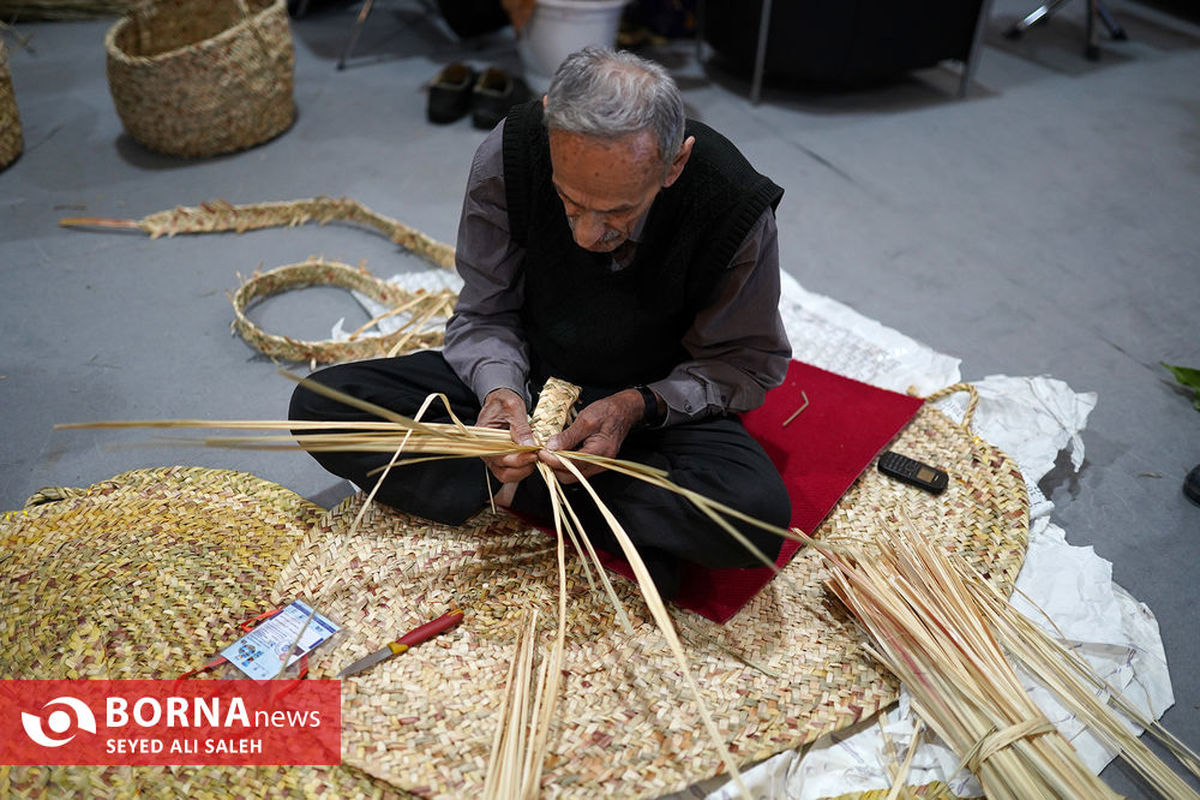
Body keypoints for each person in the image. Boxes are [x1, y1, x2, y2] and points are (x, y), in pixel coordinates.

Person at [290, 47, 792, 598]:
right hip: (530, 369)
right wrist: (499, 392)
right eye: (569, 202)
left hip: (650, 407)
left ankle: (504, 490)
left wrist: (635, 406)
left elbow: (743, 365)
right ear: (552, 125)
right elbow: (485, 310)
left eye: (618, 212)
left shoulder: (732, 205)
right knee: (324, 406)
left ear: (674, 163)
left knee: (755, 520)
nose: (584, 237)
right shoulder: (512, 154)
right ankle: (576, 505)